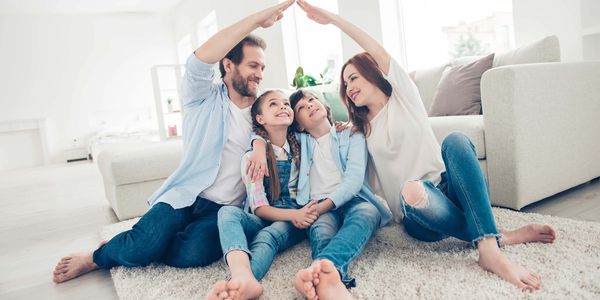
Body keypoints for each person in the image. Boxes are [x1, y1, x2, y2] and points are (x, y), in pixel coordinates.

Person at [296, 0, 557, 294]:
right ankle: (500, 236)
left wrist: (332, 19)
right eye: (345, 83)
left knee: (456, 140)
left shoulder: (404, 97)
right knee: (413, 189)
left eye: (354, 77)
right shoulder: (359, 130)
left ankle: (488, 249)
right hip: (417, 215)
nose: (349, 86)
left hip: (449, 190)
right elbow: (337, 157)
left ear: (373, 73)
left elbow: (379, 51)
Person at [52, 0, 296, 285]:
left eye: (263, 67)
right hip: (186, 195)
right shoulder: (201, 96)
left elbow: (291, 123)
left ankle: (144, 239)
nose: (260, 74)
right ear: (228, 65)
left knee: (192, 254)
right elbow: (198, 61)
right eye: (253, 65)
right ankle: (98, 256)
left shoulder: (264, 108)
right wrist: (256, 20)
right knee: (144, 245)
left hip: (225, 208)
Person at [251, 89, 393, 300]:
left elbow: (354, 181)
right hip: (315, 204)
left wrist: (322, 207)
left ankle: (322, 268)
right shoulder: (298, 141)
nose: (309, 104)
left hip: (353, 200)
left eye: (312, 99)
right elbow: (266, 132)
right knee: (321, 232)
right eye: (300, 107)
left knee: (367, 213)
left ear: (324, 107)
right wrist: (258, 145)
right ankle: (329, 281)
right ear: (297, 123)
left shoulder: (352, 133)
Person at [206, 90, 318, 300]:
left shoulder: (302, 144)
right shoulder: (253, 158)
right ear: (260, 118)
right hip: (267, 215)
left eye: (286, 103)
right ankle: (241, 275)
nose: (283, 107)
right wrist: (258, 146)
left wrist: (339, 126)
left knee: (268, 236)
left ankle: (239, 286)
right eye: (273, 104)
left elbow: (322, 131)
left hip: (294, 218)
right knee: (227, 213)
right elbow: (259, 208)